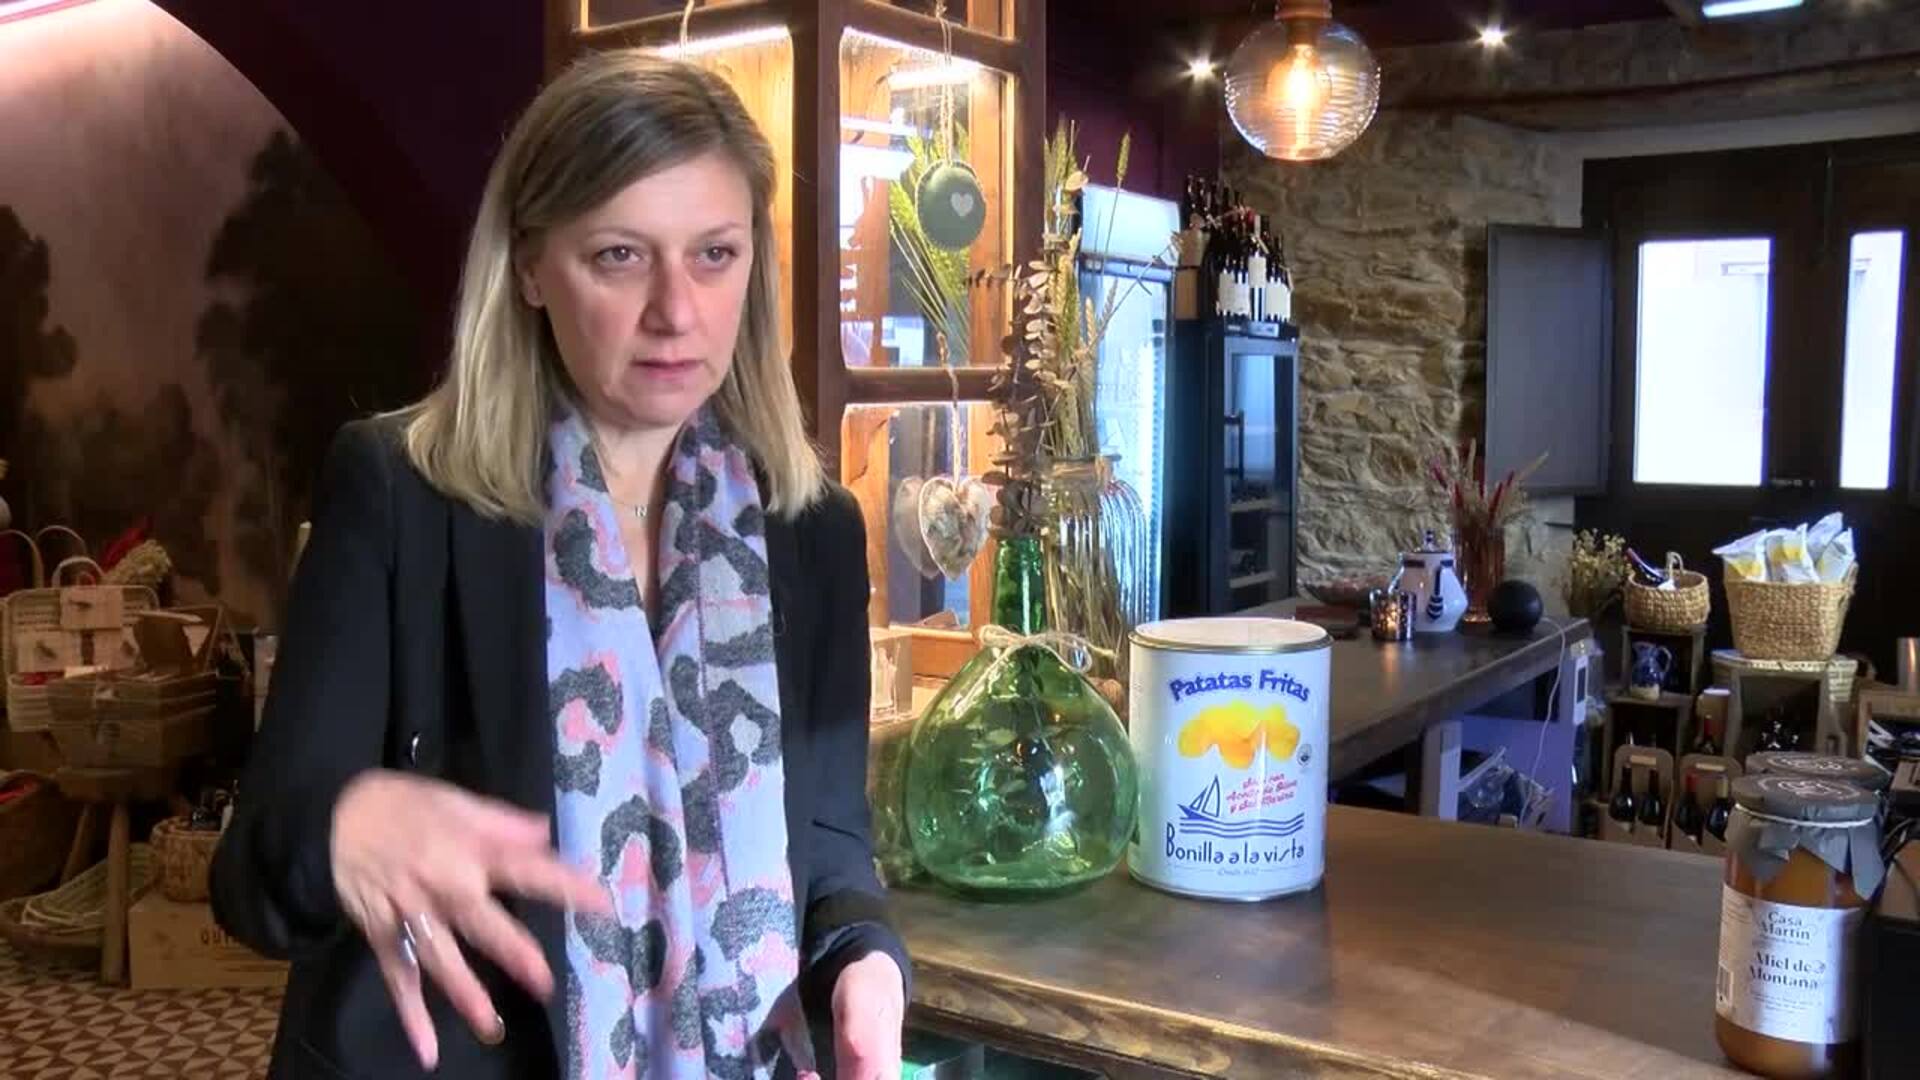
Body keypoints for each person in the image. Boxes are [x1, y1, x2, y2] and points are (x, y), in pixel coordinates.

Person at [211, 51, 908, 1080]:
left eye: (714, 255)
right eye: (620, 256)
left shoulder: (812, 533)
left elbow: (832, 845)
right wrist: (343, 828)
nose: (677, 310)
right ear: (531, 267)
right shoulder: (400, 497)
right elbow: (251, 875)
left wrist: (866, 964)